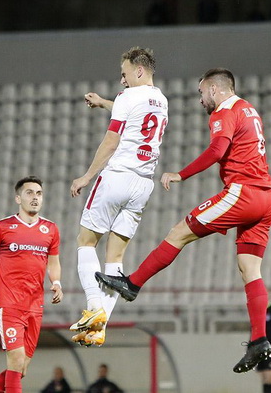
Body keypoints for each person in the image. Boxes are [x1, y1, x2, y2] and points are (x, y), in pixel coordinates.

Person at [96, 68, 271, 373]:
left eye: (201, 92)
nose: (200, 99)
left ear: (215, 90)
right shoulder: (248, 109)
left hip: (242, 193)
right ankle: (260, 339)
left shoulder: (224, 112)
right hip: (267, 198)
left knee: (179, 232)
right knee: (250, 269)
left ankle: (133, 284)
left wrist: (181, 174)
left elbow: (218, 150)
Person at [69, 46, 168, 347]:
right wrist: (103, 103)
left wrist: (87, 176)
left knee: (86, 242)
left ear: (138, 70)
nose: (122, 80)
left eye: (125, 73)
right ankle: (100, 327)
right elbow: (133, 113)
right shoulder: (161, 100)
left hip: (117, 177)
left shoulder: (127, 97)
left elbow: (112, 141)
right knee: (115, 259)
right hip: (143, 185)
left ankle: (94, 307)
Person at [0, 176, 63, 393]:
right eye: (29, 193)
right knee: (16, 360)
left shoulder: (50, 229)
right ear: (18, 198)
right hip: (9, 303)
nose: (35, 198)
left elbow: (54, 262)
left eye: (39, 193)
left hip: (35, 305)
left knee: (21, 369)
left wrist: (57, 283)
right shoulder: (2, 227)